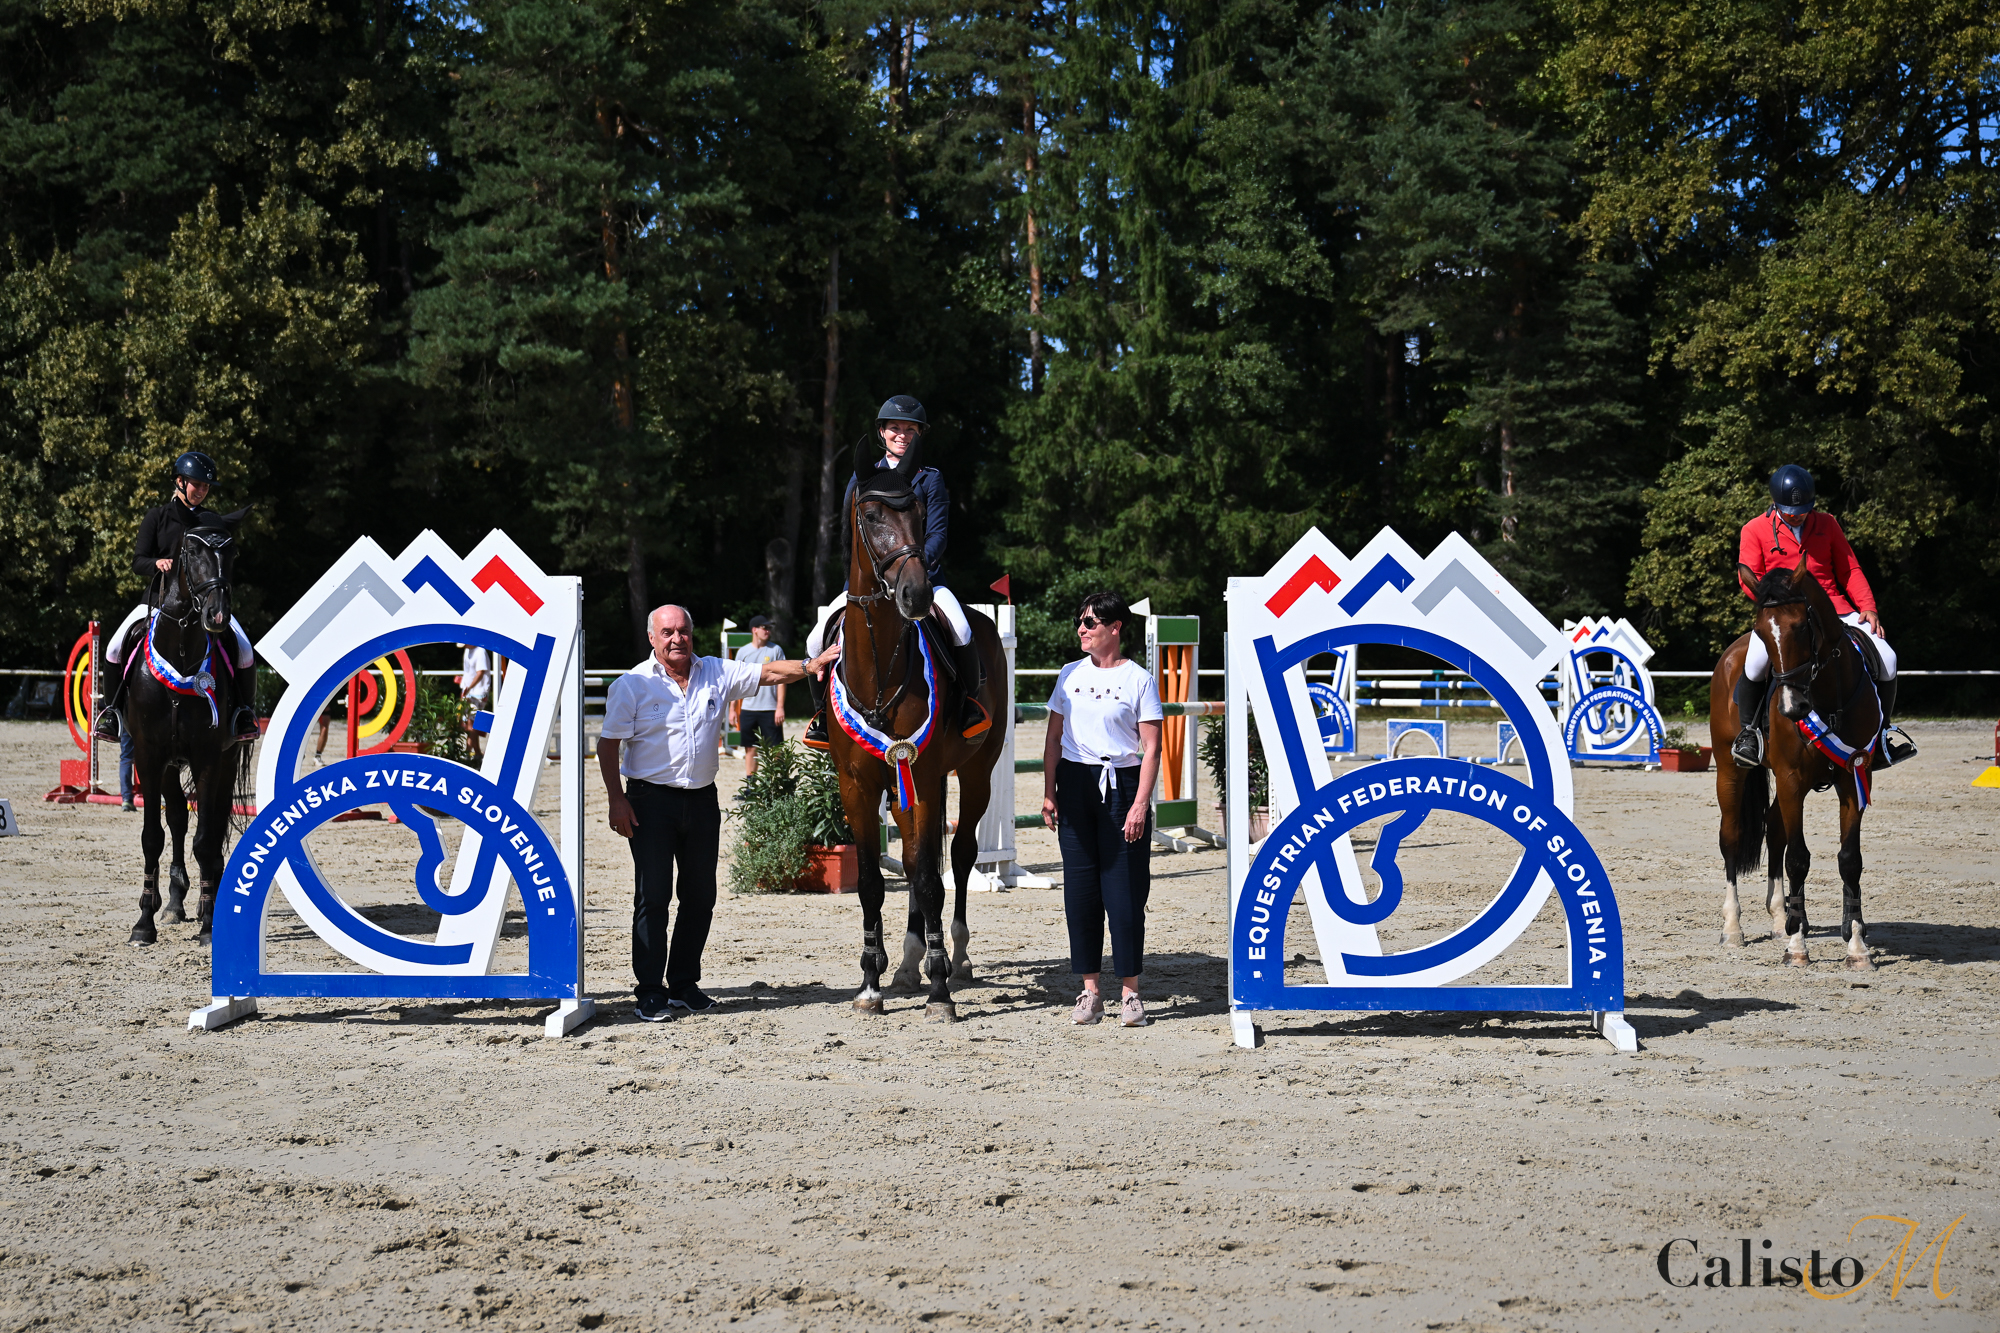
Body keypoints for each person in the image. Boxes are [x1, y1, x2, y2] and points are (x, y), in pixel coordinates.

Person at [599, 604, 839, 1022]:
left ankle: (683, 984)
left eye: (683, 631)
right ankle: (650, 991)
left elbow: (769, 673)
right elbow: (608, 745)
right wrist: (616, 799)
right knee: (653, 896)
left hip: (701, 800)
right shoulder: (632, 683)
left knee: (700, 897)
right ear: (652, 638)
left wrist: (810, 665)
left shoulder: (714, 671)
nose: (677, 639)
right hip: (649, 803)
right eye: (668, 632)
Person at [803, 395, 990, 747]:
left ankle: (969, 705)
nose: (902, 435)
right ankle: (823, 716)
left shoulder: (929, 478)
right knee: (815, 640)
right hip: (867, 583)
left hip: (920, 577)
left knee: (962, 628)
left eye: (909, 429)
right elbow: (849, 537)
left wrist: (913, 568)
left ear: (920, 434)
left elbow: (937, 534)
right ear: (882, 432)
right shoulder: (862, 477)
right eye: (895, 428)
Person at [1731, 464, 1915, 768]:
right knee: (1753, 665)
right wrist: (1776, 607)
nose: (1797, 516)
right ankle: (1750, 734)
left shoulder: (1827, 524)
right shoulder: (1754, 529)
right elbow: (1748, 578)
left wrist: (1868, 606)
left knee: (1888, 658)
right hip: (1782, 615)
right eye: (1790, 511)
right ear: (1775, 503)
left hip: (1834, 608)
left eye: (1803, 510)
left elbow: (1850, 568)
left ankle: (1882, 736)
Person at [1039, 592, 1164, 1028]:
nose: (1082, 628)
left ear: (1115, 628)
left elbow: (1152, 749)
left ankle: (1131, 993)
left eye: (1091, 622)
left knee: (1125, 893)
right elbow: (1053, 739)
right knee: (1081, 894)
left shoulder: (1139, 680)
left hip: (1122, 786)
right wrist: (1050, 791)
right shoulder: (1069, 674)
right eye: (1080, 620)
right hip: (1074, 785)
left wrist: (1140, 804)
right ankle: (1090, 992)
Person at [95, 451, 257, 742]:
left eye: (206, 486)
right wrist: (156, 563)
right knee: (113, 648)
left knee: (244, 649)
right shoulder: (157, 517)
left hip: (203, 604)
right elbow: (137, 561)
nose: (202, 491)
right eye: (198, 484)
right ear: (180, 482)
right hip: (158, 602)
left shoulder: (208, 520)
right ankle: (112, 712)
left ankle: (244, 713)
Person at [731, 615, 787, 787]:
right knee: (750, 748)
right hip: (748, 708)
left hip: (770, 708)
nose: (768, 631)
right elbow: (736, 682)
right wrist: (732, 709)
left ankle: (776, 785)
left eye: (769, 628)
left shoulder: (775, 650)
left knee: (776, 749)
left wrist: (780, 707)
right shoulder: (743, 652)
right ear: (754, 630)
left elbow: (782, 680)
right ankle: (751, 787)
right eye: (764, 627)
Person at [459, 643, 493, 760]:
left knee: (471, 723)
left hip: (478, 692)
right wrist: (464, 689)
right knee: (470, 723)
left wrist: (468, 688)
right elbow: (468, 673)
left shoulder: (480, 652)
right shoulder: (468, 650)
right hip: (469, 692)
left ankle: (468, 751)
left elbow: (480, 673)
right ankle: (477, 753)